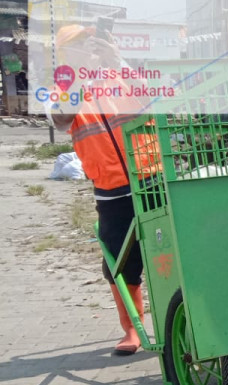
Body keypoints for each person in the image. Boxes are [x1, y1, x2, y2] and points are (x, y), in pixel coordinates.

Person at [48, 24, 155, 355]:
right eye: (79, 45)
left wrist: (117, 61)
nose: (88, 50)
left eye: (91, 43)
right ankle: (132, 329)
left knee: (172, 254)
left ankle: (183, 317)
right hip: (110, 190)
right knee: (120, 264)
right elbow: (60, 120)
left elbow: (152, 101)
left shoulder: (123, 75)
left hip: (152, 179)